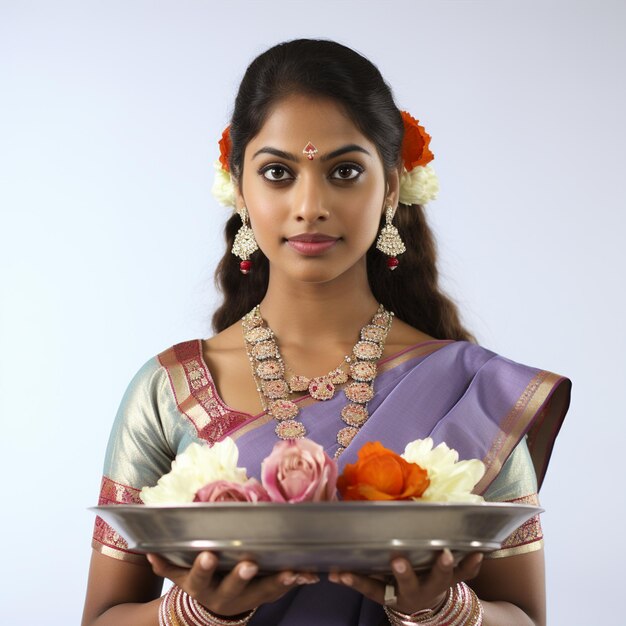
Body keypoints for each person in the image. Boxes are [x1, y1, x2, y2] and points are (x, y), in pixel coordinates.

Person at [82, 39, 570, 626]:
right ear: (239, 188)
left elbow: (526, 619)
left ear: (390, 187)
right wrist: (198, 613)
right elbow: (102, 619)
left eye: (343, 171)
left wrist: (442, 608)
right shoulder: (169, 389)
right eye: (278, 173)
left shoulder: (474, 390)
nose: (309, 204)